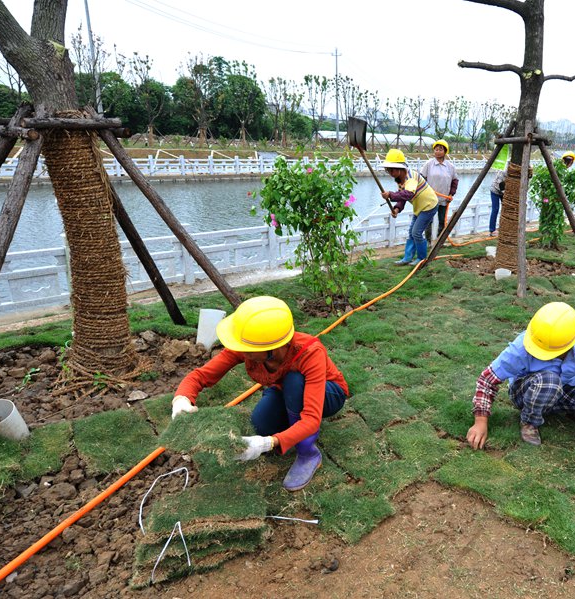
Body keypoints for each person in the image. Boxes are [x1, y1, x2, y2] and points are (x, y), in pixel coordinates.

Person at [171, 296, 349, 491]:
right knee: (260, 425)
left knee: (293, 380)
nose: (241, 352)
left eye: (248, 351)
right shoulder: (249, 347)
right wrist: (182, 399)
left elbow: (311, 419)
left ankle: (308, 454)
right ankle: (290, 423)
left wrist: (270, 443)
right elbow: (200, 376)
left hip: (329, 393)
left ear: (272, 349)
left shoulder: (309, 352)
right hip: (285, 391)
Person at [466, 302, 575, 452]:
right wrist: (480, 421)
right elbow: (487, 380)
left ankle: (573, 411)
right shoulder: (521, 347)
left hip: (568, 385)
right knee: (550, 382)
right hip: (528, 391)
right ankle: (529, 421)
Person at [380, 149, 439, 265]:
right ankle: (407, 258)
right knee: (412, 232)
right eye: (388, 170)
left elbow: (408, 194)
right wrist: (396, 209)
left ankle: (421, 258)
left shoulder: (410, 177)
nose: (390, 173)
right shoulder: (400, 180)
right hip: (419, 208)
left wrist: (390, 195)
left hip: (429, 206)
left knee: (416, 232)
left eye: (392, 169)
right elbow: (403, 197)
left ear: (400, 168)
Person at [420, 139, 458, 243]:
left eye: (440, 149)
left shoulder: (450, 167)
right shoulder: (428, 164)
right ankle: (427, 242)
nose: (437, 151)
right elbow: (421, 179)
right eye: (436, 149)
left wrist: (451, 194)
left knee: (442, 221)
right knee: (428, 221)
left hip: (444, 199)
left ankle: (439, 241)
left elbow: (455, 181)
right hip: (430, 199)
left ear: (445, 151)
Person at [488, 164, 507, 237]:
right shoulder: (504, 171)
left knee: (506, 209)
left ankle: (504, 227)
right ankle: (492, 230)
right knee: (495, 209)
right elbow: (500, 185)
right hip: (495, 190)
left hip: (503, 190)